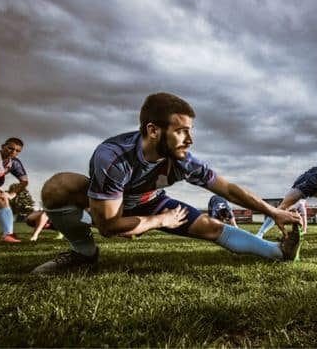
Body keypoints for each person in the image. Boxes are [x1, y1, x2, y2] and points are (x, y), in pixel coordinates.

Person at [32, 92, 302, 274]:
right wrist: (161, 221)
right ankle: (83, 253)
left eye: (190, 131)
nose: (189, 139)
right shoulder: (112, 158)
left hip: (150, 200)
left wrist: (272, 210)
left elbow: (228, 189)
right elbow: (108, 226)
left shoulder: (183, 159)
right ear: (153, 130)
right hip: (111, 206)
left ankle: (278, 252)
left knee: (210, 226)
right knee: (57, 187)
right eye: (181, 131)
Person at [0, 138, 28, 243]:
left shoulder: (14, 163)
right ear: (3, 146)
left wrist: (12, 194)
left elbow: (24, 181)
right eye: (10, 148)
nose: (13, 152)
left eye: (17, 151)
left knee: (3, 199)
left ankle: (7, 235)